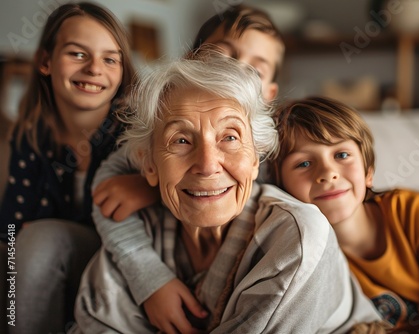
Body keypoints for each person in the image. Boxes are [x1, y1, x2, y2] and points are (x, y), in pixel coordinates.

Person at [70, 49, 382, 334]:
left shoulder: (296, 236)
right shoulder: (139, 237)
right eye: (181, 140)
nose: (207, 166)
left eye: (230, 138)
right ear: (149, 165)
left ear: (257, 157)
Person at [89, 5, 287, 333]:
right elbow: (108, 195)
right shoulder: (155, 132)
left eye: (254, 71)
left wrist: (151, 190)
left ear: (270, 93)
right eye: (223, 59)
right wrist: (150, 279)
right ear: (191, 64)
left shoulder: (285, 145)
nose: (234, 73)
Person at [270, 96, 419, 333]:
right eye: (304, 164)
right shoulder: (304, 255)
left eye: (341, 155)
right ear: (283, 189)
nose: (328, 173)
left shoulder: (408, 209)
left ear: (368, 172)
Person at [0, 2, 134, 333]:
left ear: (122, 71)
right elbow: (12, 230)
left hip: (119, 263)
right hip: (43, 265)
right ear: (45, 61)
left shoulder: (134, 132)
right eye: (77, 54)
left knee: (42, 239)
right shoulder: (29, 137)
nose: (93, 68)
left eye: (109, 58)